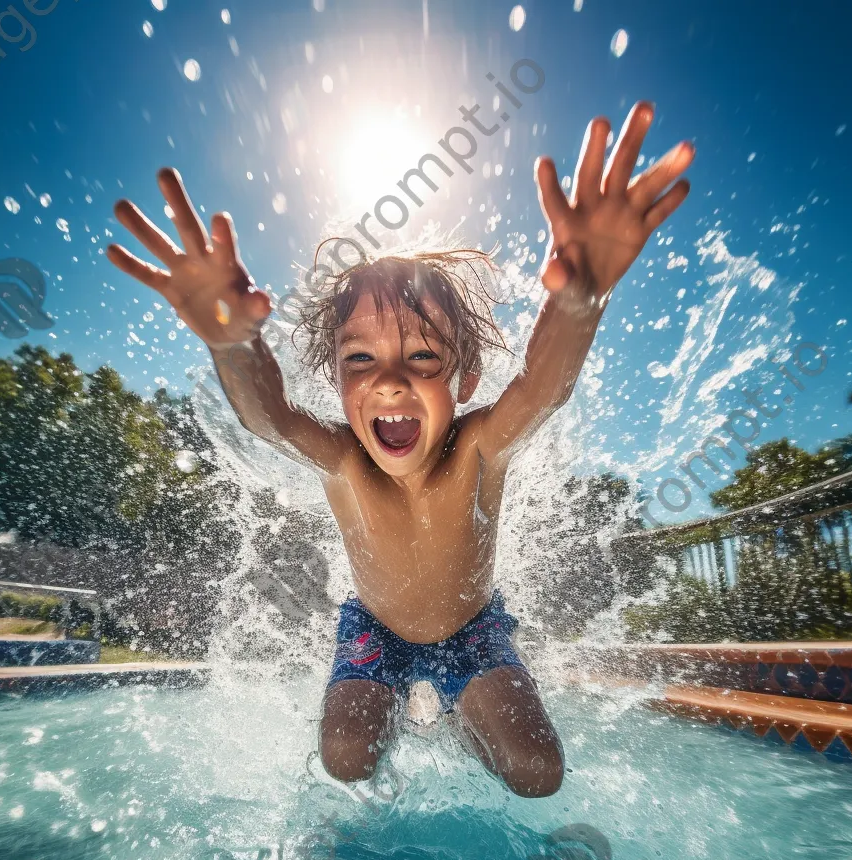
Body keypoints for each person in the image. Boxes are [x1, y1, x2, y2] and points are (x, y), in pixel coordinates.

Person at [108, 101, 694, 798]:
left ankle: (460, 712)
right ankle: (414, 707)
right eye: (361, 361)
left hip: (474, 631)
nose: (390, 381)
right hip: (375, 633)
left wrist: (581, 297)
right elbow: (266, 417)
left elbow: (542, 390)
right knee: (345, 758)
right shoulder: (344, 462)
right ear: (336, 379)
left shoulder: (478, 448)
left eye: (421, 356)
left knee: (537, 773)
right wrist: (231, 339)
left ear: (463, 379)